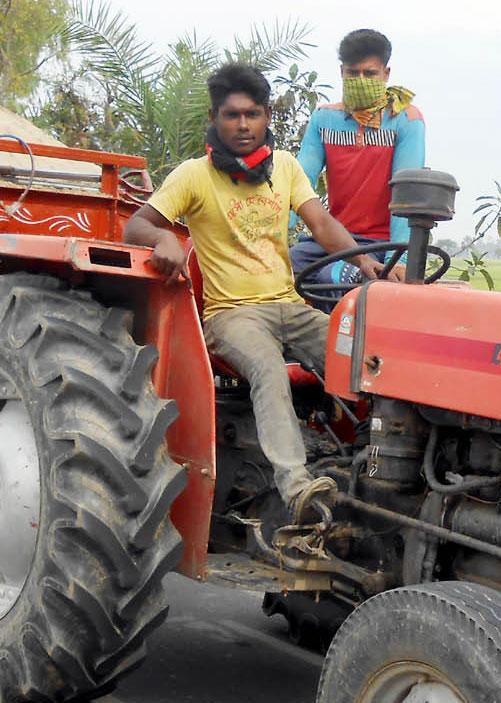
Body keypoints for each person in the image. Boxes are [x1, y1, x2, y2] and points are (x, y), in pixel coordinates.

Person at [124, 63, 389, 522]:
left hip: (288, 304)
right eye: (231, 115)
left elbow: (320, 223)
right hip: (232, 316)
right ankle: (297, 487)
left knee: (363, 358)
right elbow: (137, 224)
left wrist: (365, 262)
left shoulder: (283, 168)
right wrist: (165, 238)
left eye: (251, 114)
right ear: (215, 118)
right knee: (269, 370)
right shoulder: (194, 175)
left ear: (266, 116)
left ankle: (380, 465)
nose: (242, 125)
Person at [290, 28, 424, 290]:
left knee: (334, 279)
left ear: (386, 74)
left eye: (370, 73)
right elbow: (298, 181)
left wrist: (401, 258)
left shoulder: (406, 120)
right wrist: (274, 235)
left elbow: (405, 193)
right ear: (342, 72)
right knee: (279, 271)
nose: (360, 79)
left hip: (379, 243)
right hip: (331, 239)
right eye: (353, 73)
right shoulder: (323, 119)